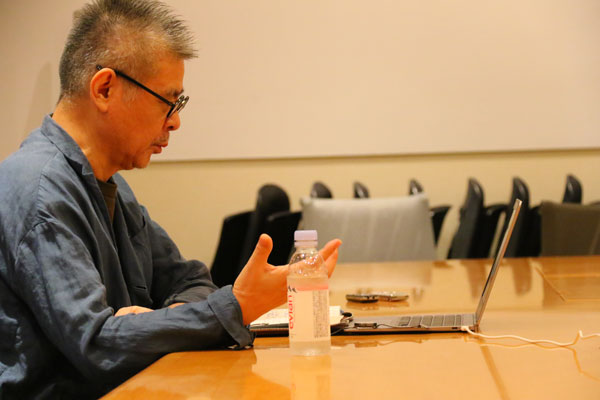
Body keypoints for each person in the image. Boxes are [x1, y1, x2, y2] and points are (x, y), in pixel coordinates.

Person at [0, 0, 341, 398]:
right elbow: (98, 345)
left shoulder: (110, 184)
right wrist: (236, 306)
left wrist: (159, 322)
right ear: (105, 89)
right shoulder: (40, 192)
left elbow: (191, 280)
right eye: (168, 101)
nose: (175, 121)